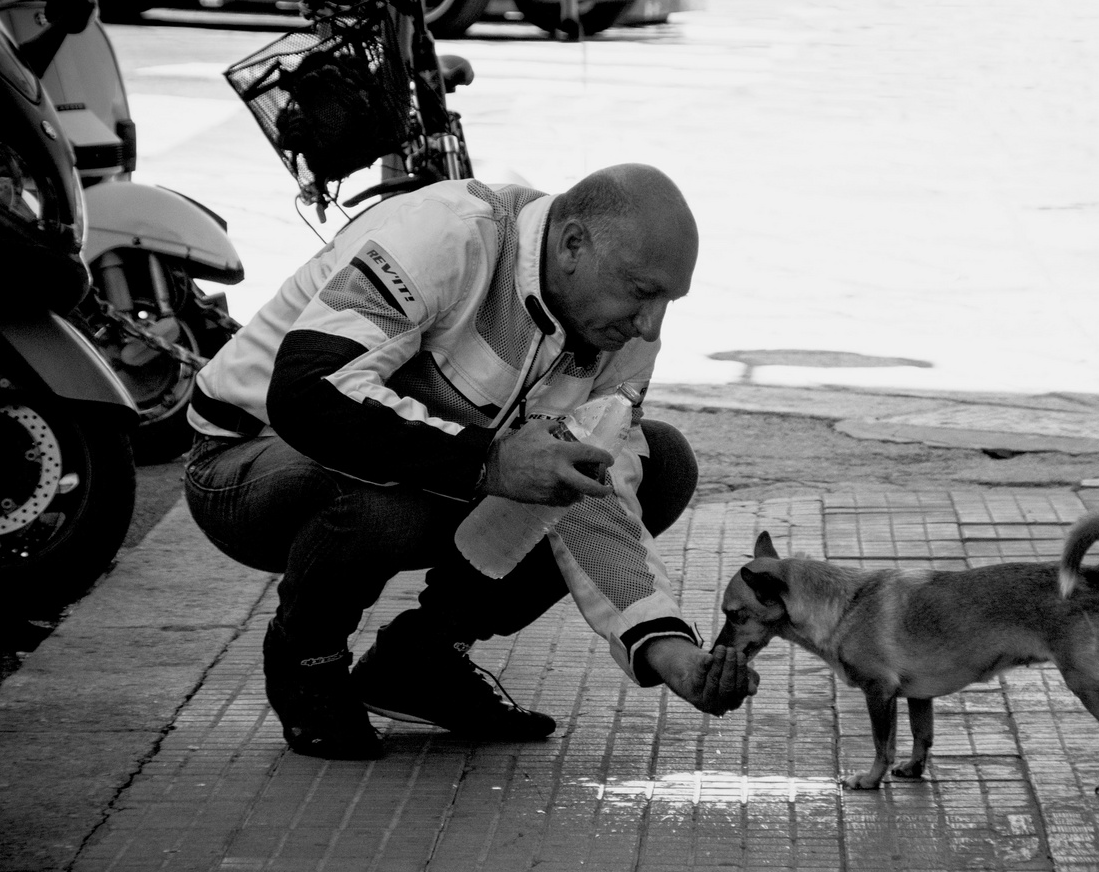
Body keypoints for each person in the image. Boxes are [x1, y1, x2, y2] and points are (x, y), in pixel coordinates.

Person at [184, 164, 759, 758]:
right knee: (387, 502)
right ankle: (307, 662)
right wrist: (490, 463)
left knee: (660, 461)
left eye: (668, 300)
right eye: (642, 292)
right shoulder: (449, 233)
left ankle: (420, 661)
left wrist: (667, 648)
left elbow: (589, 496)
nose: (651, 324)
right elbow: (307, 391)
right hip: (246, 459)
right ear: (572, 246)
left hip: (416, 474)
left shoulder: (622, 332)